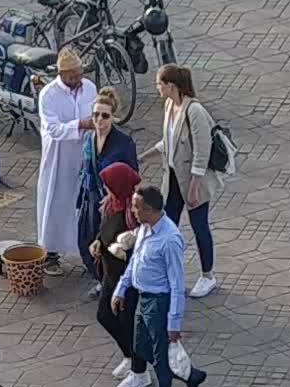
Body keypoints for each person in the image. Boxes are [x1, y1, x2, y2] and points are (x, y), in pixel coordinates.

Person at [113, 185, 208, 387]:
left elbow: (177, 285)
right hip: (143, 298)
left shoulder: (169, 239)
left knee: (160, 359)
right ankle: (190, 374)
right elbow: (135, 260)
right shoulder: (146, 228)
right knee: (140, 347)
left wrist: (173, 323)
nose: (132, 211)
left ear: (150, 210)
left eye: (136, 207)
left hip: (159, 303)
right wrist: (121, 289)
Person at [141, 65, 223, 298]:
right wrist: (144, 157)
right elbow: (168, 142)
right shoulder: (169, 106)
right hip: (174, 178)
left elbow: (201, 150)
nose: (157, 88)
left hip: (192, 180)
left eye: (159, 83)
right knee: (168, 225)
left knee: (199, 226)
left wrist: (195, 186)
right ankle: (168, 272)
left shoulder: (194, 111)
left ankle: (208, 275)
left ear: (171, 86)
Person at [89, 163, 151, 387]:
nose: (106, 190)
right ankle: (128, 355)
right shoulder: (110, 205)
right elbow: (104, 228)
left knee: (131, 324)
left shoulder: (133, 213)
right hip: (110, 275)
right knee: (105, 316)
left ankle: (140, 371)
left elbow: (143, 246)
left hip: (129, 281)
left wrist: (124, 250)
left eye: (109, 185)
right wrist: (98, 241)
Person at [36, 46, 97, 276]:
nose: (78, 79)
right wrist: (81, 124)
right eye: (72, 76)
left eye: (80, 74)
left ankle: (88, 250)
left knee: (84, 204)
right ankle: (50, 253)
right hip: (59, 158)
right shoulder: (49, 95)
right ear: (61, 75)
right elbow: (53, 129)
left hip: (85, 154)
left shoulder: (89, 87)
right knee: (55, 202)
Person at [77, 87, 138, 288]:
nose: (99, 120)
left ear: (113, 117)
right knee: (86, 240)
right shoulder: (88, 139)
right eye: (95, 115)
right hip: (91, 198)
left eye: (105, 115)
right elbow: (84, 170)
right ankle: (100, 279)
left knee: (109, 243)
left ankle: (112, 283)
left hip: (115, 204)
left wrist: (119, 198)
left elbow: (133, 175)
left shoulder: (124, 143)